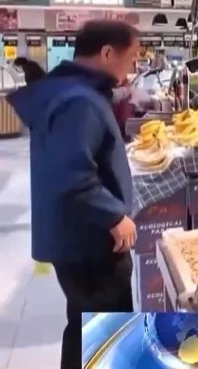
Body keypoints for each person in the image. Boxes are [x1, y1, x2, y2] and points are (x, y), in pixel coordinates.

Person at [8, 20, 141, 369]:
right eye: (131, 58)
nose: (132, 68)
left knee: (84, 328)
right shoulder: (79, 101)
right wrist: (113, 216)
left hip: (75, 237)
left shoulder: (71, 91)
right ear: (107, 53)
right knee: (106, 332)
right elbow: (72, 175)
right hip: (91, 242)